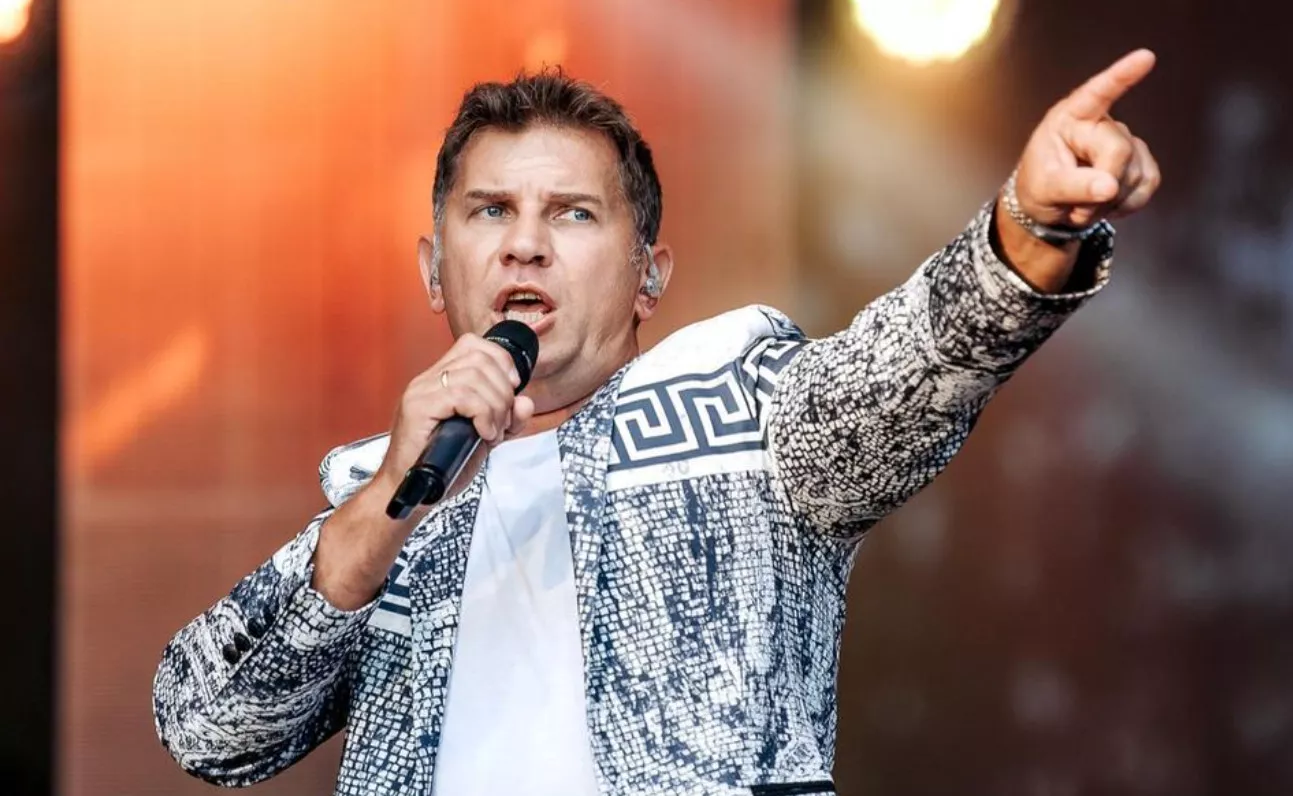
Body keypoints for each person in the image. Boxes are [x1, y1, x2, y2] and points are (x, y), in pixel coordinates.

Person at [152, 50, 1161, 796]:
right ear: (433, 268)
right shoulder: (392, 493)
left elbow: (909, 367)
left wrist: (1030, 227)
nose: (526, 246)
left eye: (574, 214)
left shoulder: (745, 418)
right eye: (490, 211)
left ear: (650, 276)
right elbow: (208, 728)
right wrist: (387, 502)